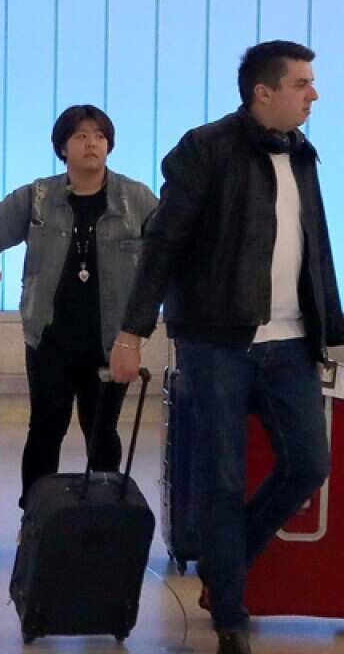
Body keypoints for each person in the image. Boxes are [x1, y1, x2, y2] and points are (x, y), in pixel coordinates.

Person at [111, 40, 341, 654]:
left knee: (309, 464)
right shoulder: (204, 149)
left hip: (291, 342)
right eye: (302, 83)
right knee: (221, 477)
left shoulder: (303, 154)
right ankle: (231, 618)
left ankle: (225, 559)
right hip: (216, 341)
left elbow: (316, 247)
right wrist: (132, 332)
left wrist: (331, 331)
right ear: (263, 92)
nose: (314, 94)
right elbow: (163, 245)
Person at [0, 104, 158, 509]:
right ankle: (35, 517)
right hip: (50, 337)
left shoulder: (135, 198)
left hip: (111, 340)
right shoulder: (38, 198)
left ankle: (104, 517)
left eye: (99, 136)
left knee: (102, 432)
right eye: (81, 136)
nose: (92, 144)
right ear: (62, 147)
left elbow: (169, 245)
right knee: (45, 428)